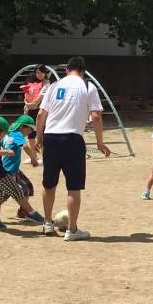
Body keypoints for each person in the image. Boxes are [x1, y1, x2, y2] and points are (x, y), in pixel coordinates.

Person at [36, 56, 111, 241]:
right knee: (74, 187)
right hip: (73, 139)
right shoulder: (88, 86)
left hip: (51, 138)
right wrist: (100, 142)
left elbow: (40, 115)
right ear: (83, 71)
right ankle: (72, 230)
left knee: (49, 184)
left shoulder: (53, 86)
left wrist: (40, 137)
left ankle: (47, 223)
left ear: (67, 70)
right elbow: (96, 117)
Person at [1, 114, 39, 219]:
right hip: (9, 170)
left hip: (14, 169)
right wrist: (33, 158)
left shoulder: (9, 134)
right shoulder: (17, 134)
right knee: (6, 194)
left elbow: (3, 145)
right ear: (22, 127)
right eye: (30, 129)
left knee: (27, 187)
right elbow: (25, 146)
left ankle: (23, 211)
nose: (31, 132)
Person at [21, 64, 50, 164]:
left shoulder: (47, 84)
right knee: (30, 134)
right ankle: (33, 157)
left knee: (41, 134)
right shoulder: (32, 83)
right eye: (37, 72)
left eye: (41, 72)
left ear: (45, 73)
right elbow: (27, 96)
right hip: (30, 111)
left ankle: (45, 158)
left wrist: (29, 105)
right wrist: (26, 103)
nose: (39, 74)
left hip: (40, 111)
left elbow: (38, 101)